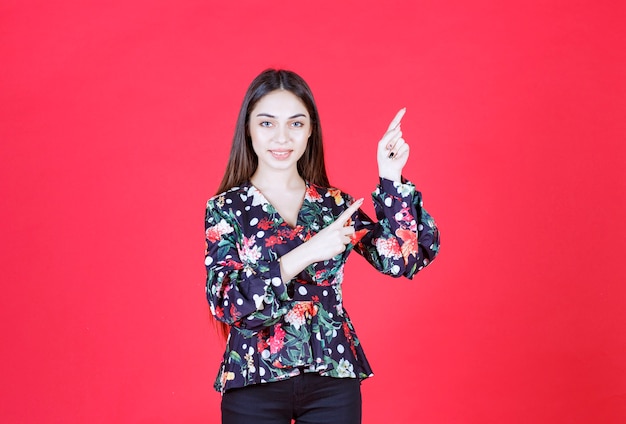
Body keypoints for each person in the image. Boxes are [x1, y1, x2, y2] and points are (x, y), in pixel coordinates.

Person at [204, 69, 440, 424]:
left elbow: (402, 259)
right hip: (253, 381)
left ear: (310, 129)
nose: (281, 137)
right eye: (267, 124)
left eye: (295, 124)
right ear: (248, 130)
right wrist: (311, 250)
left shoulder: (333, 206)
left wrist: (390, 175)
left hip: (332, 381)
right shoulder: (225, 209)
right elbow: (226, 302)